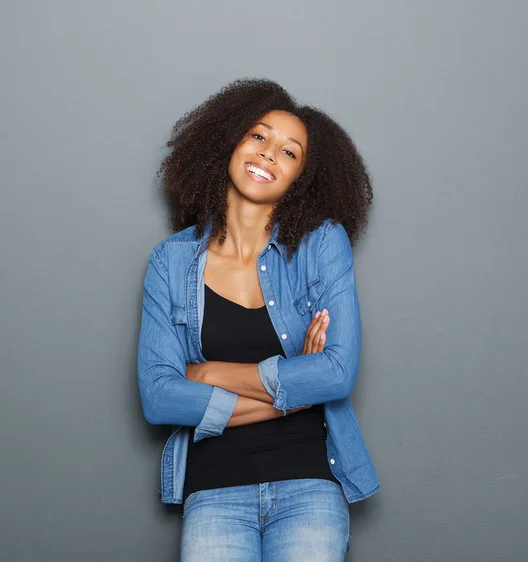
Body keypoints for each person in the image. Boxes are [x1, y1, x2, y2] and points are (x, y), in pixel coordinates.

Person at [137, 78, 379, 561]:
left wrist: (209, 376)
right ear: (229, 141)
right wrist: (293, 397)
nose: (270, 155)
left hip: (309, 484)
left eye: (290, 154)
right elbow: (160, 397)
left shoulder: (321, 244)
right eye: (259, 137)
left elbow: (336, 372)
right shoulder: (171, 260)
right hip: (213, 488)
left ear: (302, 179)